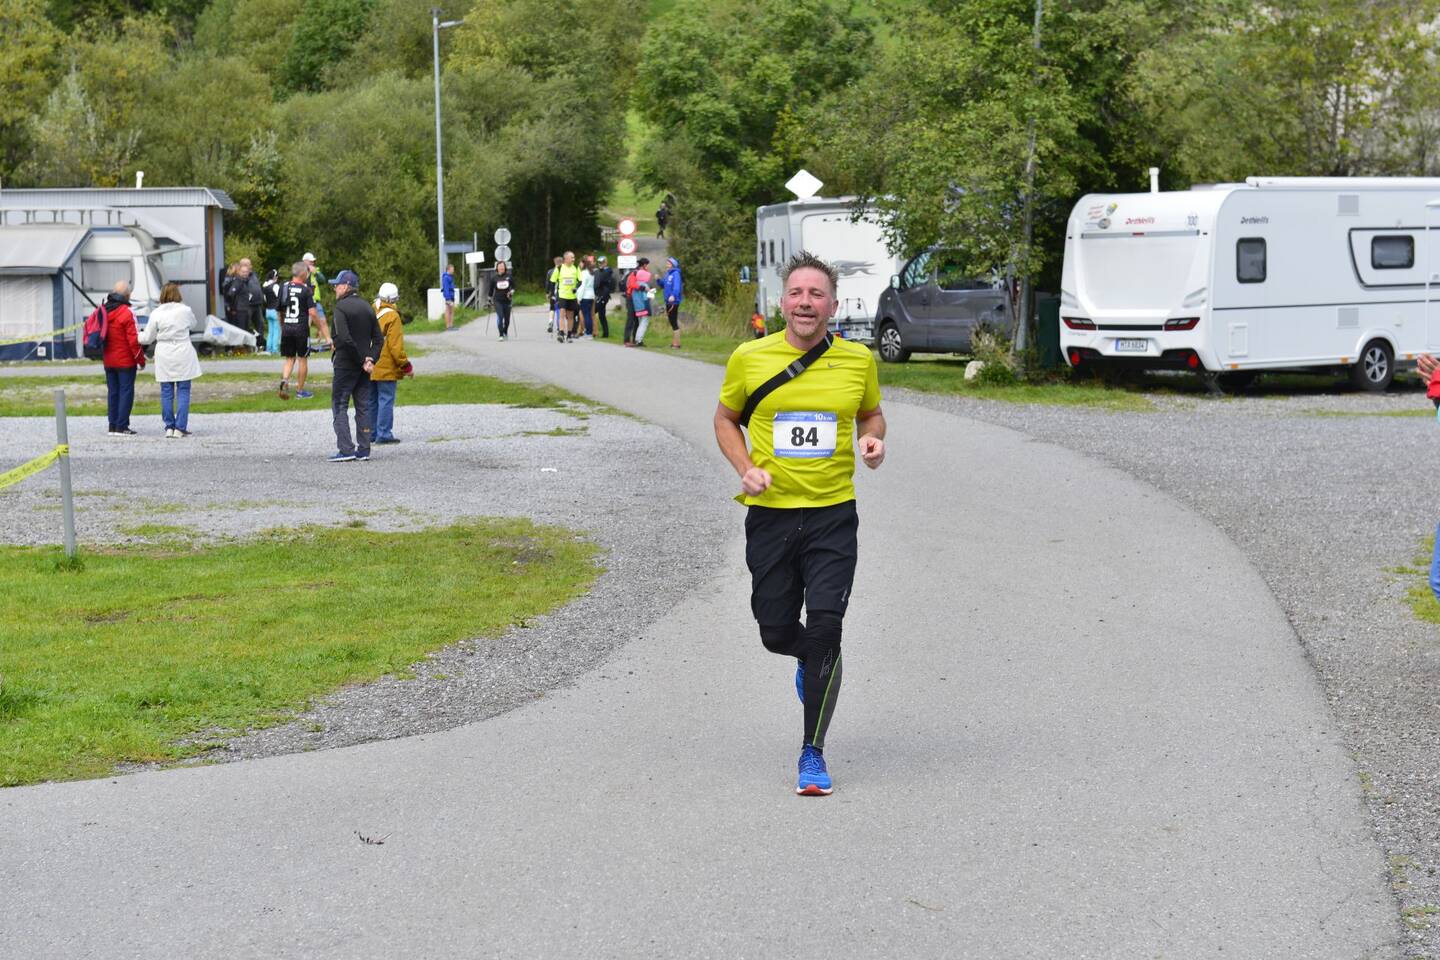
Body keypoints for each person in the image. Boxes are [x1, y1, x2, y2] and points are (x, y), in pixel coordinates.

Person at [712, 250, 887, 797]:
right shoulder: (750, 357)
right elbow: (725, 419)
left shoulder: (857, 360)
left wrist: (872, 440)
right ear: (782, 302)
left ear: (833, 305)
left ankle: (812, 752)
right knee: (776, 633)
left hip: (834, 515)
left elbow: (871, 414)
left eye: (816, 294)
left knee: (827, 630)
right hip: (771, 517)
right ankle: (808, 659)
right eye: (796, 293)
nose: (805, 302)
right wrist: (745, 468)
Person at [327, 269, 383, 462]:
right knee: (363, 406)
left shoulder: (341, 308)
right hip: (363, 367)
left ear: (346, 286)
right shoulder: (368, 307)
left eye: (337, 285)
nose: (335, 288)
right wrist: (370, 359)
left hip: (346, 364)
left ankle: (346, 449)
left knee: (339, 404)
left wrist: (361, 360)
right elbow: (379, 339)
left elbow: (344, 338)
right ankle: (364, 449)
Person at [137, 282, 202, 438]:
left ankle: (169, 427)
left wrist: (136, 335)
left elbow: (147, 338)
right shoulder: (185, 310)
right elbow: (194, 324)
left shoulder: (156, 313)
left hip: (164, 352)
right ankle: (180, 427)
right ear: (178, 294)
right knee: (183, 390)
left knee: (166, 391)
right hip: (183, 350)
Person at [368, 282, 411, 444]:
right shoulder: (393, 316)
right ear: (394, 299)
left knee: (371, 400)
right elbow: (395, 346)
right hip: (385, 365)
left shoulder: (371, 310)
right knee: (385, 399)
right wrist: (406, 365)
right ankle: (384, 434)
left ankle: (371, 433)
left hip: (370, 363)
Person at [102, 280, 145, 436]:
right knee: (126, 392)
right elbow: (134, 340)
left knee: (113, 392)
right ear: (127, 295)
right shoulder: (127, 312)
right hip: (125, 361)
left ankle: (112, 426)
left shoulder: (104, 310)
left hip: (108, 359)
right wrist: (141, 360)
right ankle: (122, 426)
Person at [277, 261, 320, 400]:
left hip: (287, 327)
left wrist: (282, 325)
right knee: (302, 359)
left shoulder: (284, 287)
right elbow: (312, 312)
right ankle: (300, 391)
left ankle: (285, 380)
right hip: (301, 328)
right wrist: (320, 327)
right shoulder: (306, 290)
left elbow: (280, 310)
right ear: (303, 274)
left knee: (289, 359)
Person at [302, 252, 332, 344]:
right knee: (306, 323)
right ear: (305, 261)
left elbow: (323, 280)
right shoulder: (300, 271)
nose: (313, 263)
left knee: (322, 320)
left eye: (313, 261)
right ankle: (304, 343)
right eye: (310, 261)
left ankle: (328, 341)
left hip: (315, 300)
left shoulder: (315, 271)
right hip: (304, 301)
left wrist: (315, 272)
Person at [556, 251, 581, 343]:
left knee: (570, 316)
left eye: (574, 257)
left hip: (572, 296)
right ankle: (561, 333)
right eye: (572, 257)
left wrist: (576, 288)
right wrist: (549, 293)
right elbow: (552, 281)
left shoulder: (576, 268)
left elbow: (580, 281)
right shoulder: (559, 268)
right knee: (562, 314)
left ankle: (569, 335)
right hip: (562, 295)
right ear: (566, 259)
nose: (573, 259)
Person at [490, 261, 515, 339]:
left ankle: (505, 331)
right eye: (500, 266)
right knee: (500, 317)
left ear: (505, 267)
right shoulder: (494, 278)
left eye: (503, 266)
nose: (501, 268)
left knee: (507, 320)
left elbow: (513, 287)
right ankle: (500, 335)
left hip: (507, 300)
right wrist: (489, 299)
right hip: (497, 300)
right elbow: (491, 290)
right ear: (497, 268)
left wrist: (511, 292)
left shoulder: (509, 277)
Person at [663, 255, 684, 349]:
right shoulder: (668, 274)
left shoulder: (675, 274)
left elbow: (677, 287)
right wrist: (658, 280)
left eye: (668, 263)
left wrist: (673, 295)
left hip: (673, 302)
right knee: (672, 322)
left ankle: (677, 344)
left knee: (673, 322)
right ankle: (675, 343)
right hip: (668, 301)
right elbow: (664, 285)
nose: (666, 264)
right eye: (667, 263)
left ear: (673, 264)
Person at [593, 256, 614, 338]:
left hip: (603, 295)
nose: (600, 264)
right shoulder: (599, 271)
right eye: (599, 262)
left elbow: (600, 280)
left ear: (606, 262)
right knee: (601, 315)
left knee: (592, 312)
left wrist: (598, 271)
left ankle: (592, 331)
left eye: (602, 262)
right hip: (599, 294)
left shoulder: (608, 271)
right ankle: (605, 334)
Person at [262, 269, 283, 355]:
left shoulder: (265, 286)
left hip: (268, 310)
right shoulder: (275, 286)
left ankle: (268, 348)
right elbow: (279, 298)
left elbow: (265, 299)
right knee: (277, 331)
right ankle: (275, 349)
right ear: (274, 277)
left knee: (270, 331)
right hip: (275, 311)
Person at [577, 256, 596, 338]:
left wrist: (579, 298)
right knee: (589, 314)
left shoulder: (584, 273)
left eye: (581, 263)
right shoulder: (591, 272)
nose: (579, 264)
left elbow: (583, 286)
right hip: (591, 296)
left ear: (584, 263)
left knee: (586, 315)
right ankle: (589, 332)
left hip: (585, 296)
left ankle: (588, 333)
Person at [546, 256, 562, 334]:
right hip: (560, 293)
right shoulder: (563, 271)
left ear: (554, 262)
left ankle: (550, 321)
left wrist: (547, 293)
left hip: (552, 293)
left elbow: (547, 283)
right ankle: (559, 327)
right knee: (559, 309)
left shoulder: (550, 271)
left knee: (552, 308)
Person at [441, 263, 457, 331]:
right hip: (449, 296)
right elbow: (446, 288)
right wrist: (448, 298)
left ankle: (451, 325)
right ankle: (448, 326)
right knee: (448, 311)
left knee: (451, 311)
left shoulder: (450, 277)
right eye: (452, 269)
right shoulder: (446, 277)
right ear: (448, 269)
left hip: (451, 295)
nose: (453, 271)